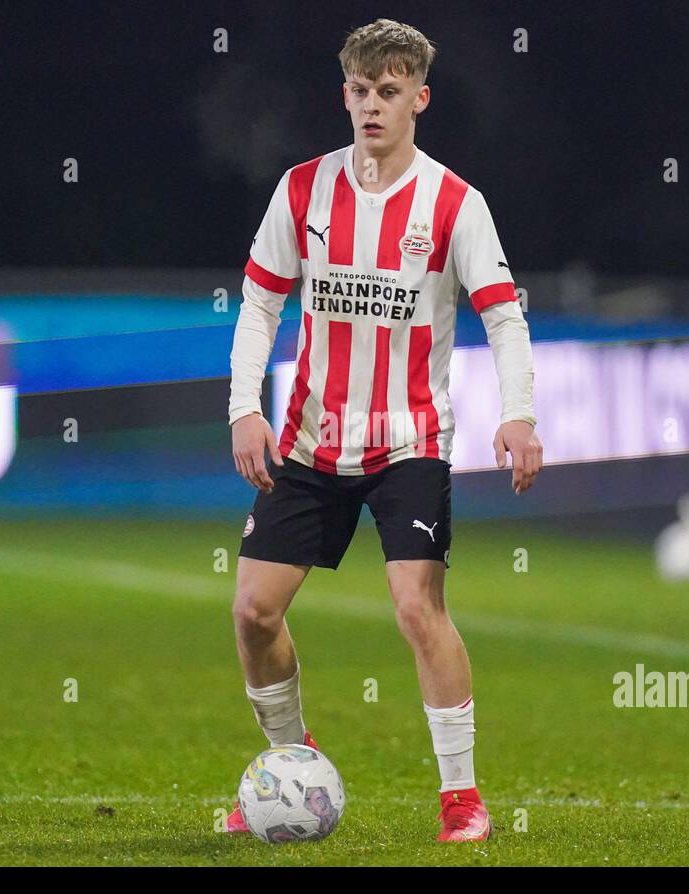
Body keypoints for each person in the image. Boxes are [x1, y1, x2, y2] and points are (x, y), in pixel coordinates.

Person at [224, 19, 542, 842]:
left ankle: (462, 800)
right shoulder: (302, 191)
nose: (372, 104)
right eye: (361, 90)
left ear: (419, 100)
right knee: (254, 612)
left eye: (389, 91)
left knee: (415, 607)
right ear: (346, 95)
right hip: (309, 440)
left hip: (410, 441)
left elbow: (503, 319)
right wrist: (244, 407)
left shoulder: (454, 203)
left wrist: (519, 413)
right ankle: (293, 767)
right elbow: (260, 302)